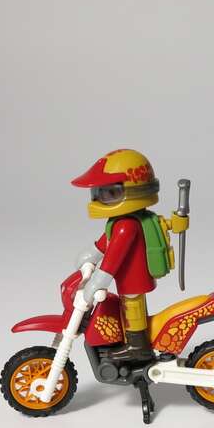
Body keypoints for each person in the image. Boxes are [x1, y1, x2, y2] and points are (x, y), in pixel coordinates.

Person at [72, 149, 167, 361]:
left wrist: (98, 281)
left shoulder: (126, 226)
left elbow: (112, 259)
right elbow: (105, 243)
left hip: (133, 277)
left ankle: (138, 346)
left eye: (109, 192)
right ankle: (132, 341)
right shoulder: (119, 222)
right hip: (129, 276)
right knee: (128, 306)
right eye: (98, 192)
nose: (99, 197)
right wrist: (92, 254)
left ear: (129, 193)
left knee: (131, 305)